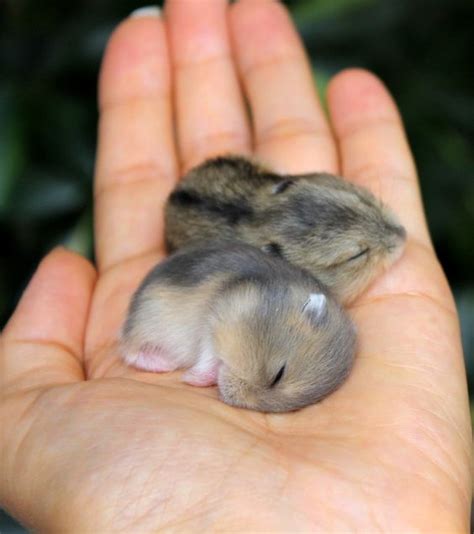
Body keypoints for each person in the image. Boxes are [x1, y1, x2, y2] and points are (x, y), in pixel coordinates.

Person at [0, 1, 471, 530]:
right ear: (284, 266)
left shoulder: (286, 263)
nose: (394, 240)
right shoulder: (257, 277)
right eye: (358, 254)